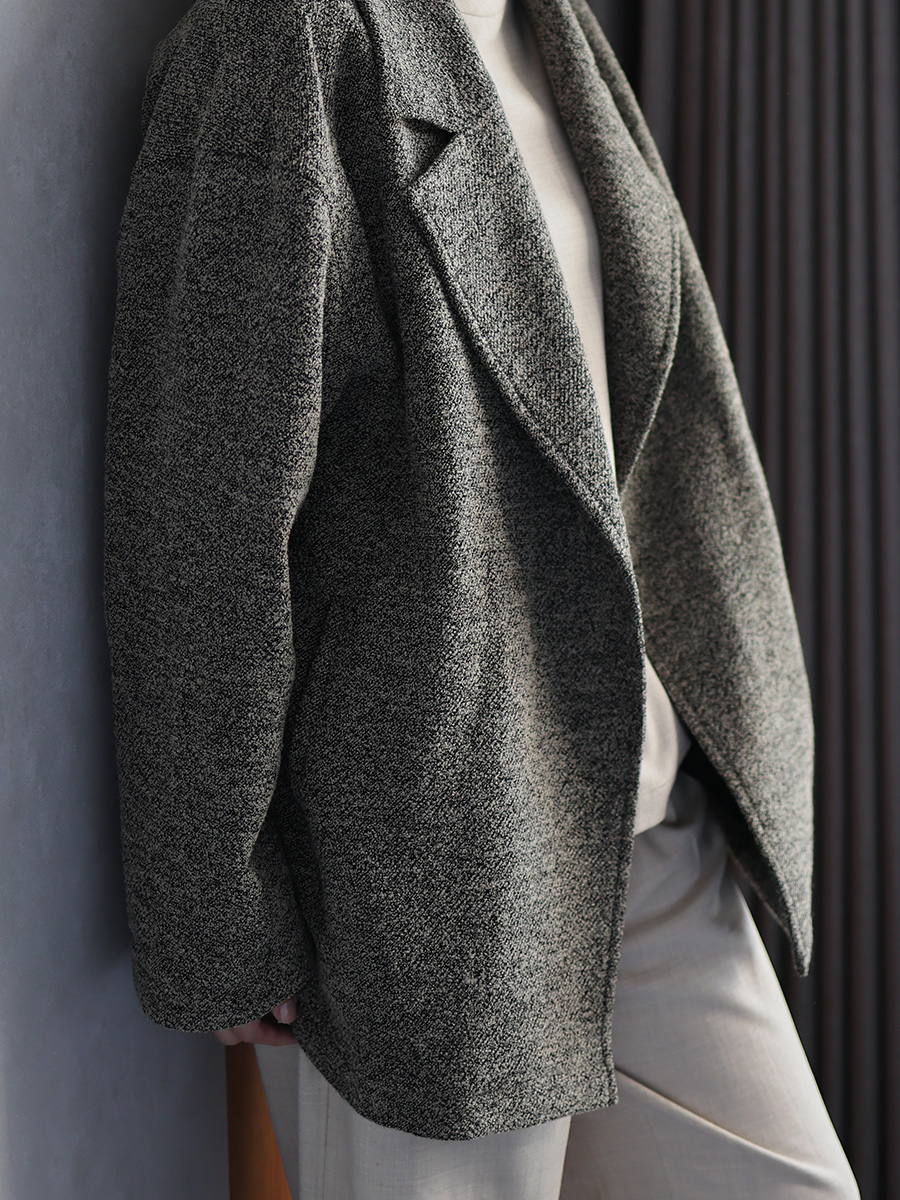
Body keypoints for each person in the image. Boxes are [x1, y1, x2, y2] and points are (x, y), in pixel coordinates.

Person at [102, 0, 860, 1194]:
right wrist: (217, 918)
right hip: (436, 872)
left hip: (643, 819)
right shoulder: (284, 43)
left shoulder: (543, 26)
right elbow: (199, 516)